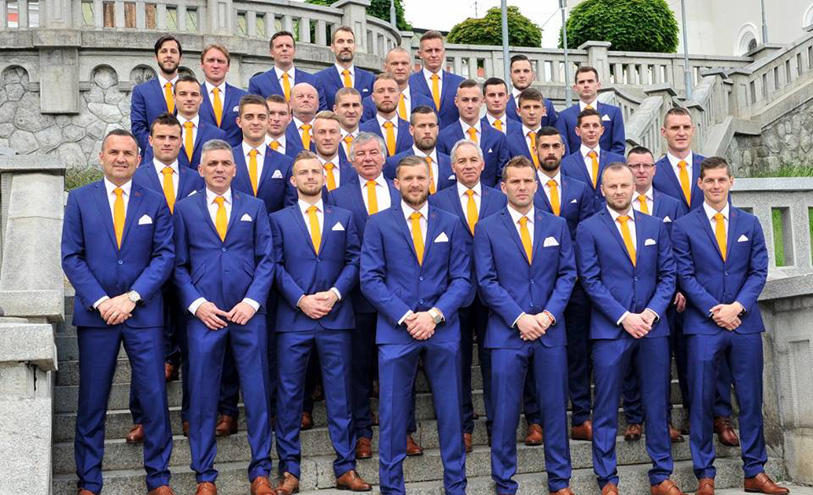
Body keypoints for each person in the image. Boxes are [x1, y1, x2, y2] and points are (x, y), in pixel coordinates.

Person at [62, 129, 175, 495]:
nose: (121, 158)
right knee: (92, 401)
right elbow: (72, 257)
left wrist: (132, 297)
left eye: (128, 153)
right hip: (96, 317)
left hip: (144, 315)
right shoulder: (80, 199)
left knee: (154, 398)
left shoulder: (154, 202)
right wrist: (102, 301)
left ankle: (159, 479)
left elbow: (164, 256)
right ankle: (89, 482)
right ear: (102, 157)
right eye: (114, 152)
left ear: (139, 159)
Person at [673, 157, 789, 495]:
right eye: (709, 180)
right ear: (700, 184)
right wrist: (714, 310)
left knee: (751, 399)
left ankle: (755, 471)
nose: (715, 185)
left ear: (731, 182)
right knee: (701, 400)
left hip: (744, 323)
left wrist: (737, 307)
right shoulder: (683, 226)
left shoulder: (749, 223)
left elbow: (758, 270)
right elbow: (685, 275)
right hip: (703, 325)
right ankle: (704, 474)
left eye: (721, 179)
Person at [360, 155, 471, 495]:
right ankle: (392, 489)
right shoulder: (378, 224)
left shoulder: (451, 223)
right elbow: (370, 279)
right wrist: (408, 317)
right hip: (397, 331)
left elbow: (462, 279)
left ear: (430, 181)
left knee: (451, 413)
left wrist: (433, 315)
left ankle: (456, 487)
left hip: (442, 330)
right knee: (393, 415)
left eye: (420, 178)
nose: (415, 184)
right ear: (396, 183)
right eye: (407, 178)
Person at [173, 139, 276, 495]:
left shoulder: (255, 207)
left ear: (235, 169)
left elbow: (267, 260)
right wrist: (197, 304)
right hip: (205, 318)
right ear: (201, 170)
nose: (219, 169)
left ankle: (261, 472)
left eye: (225, 163)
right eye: (213, 163)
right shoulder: (184, 210)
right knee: (203, 397)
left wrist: (252, 301)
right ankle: (204, 475)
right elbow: (178, 265)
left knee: (257, 395)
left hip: (248, 316)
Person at [575, 163, 685, 495]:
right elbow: (590, 280)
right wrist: (624, 317)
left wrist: (650, 313)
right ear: (603, 190)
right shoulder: (588, 228)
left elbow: (668, 275)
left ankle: (661, 475)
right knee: (606, 406)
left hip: (653, 328)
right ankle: (607, 479)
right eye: (613, 186)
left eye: (624, 185)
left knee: (657, 403)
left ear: (633, 186)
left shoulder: (654, 226)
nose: (620, 191)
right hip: (610, 330)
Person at [473, 155, 577, 495]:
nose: (522, 187)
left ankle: (559, 481)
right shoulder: (487, 227)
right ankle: (505, 482)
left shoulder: (556, 225)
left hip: (550, 332)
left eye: (527, 181)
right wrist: (519, 318)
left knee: (554, 410)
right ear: (503, 187)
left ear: (536, 184)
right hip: (507, 334)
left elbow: (567, 274)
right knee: (504, 413)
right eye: (515, 181)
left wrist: (548, 315)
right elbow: (486, 281)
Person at [270, 151, 371, 495]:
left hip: (336, 317)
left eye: (316, 171)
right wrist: (300, 299)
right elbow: (274, 265)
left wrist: (336, 294)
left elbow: (355, 259)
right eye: (303, 172)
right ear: (293, 180)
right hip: (293, 319)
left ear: (325, 177)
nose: (311, 176)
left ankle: (346, 467)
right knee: (289, 397)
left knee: (340, 395)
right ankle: (289, 470)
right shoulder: (278, 219)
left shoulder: (344, 216)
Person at [651, 107, 738, 447]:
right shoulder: (654, 172)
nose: (681, 132)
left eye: (686, 126)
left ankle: (721, 414)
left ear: (694, 129)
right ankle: (690, 411)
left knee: (717, 348)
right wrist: (676, 283)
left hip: (713, 279)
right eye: (674, 127)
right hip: (673, 276)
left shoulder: (710, 167)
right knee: (683, 350)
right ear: (663, 132)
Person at [128, 113, 204, 443]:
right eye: (161, 137)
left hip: (190, 272)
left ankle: (191, 415)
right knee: (146, 348)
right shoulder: (137, 177)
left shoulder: (196, 179)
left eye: (174, 137)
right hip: (149, 273)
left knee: (193, 348)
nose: (168, 142)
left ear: (181, 141)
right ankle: (144, 418)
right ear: (150, 140)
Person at [327, 133, 403, 459]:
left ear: (385, 157)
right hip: (357, 296)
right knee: (358, 367)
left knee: (399, 366)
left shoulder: (401, 191)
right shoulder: (337, 196)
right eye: (361, 154)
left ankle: (404, 431)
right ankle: (362, 432)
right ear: (351, 160)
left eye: (374, 152)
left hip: (399, 296)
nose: (368, 158)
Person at [429, 140, 506, 451]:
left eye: (474, 160)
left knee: (495, 362)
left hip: (493, 296)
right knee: (457, 364)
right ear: (453, 167)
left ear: (483, 164)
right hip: (454, 295)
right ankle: (463, 427)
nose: (469, 165)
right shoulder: (437, 201)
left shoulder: (501, 199)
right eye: (462, 161)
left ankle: (497, 425)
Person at [529, 127, 595, 444]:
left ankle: (581, 416)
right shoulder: (526, 187)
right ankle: (536, 420)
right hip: (538, 287)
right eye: (545, 146)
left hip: (575, 284)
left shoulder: (579, 188)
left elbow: (587, 234)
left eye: (556, 145)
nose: (551, 151)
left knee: (578, 352)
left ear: (564, 149)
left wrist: (577, 271)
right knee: (535, 353)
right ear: (536, 150)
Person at [621, 146, 686, 444]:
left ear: (654, 169)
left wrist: (680, 287)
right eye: (635, 166)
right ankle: (634, 418)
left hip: (664, 294)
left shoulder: (671, 205)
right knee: (630, 362)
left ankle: (664, 418)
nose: (641, 171)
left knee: (661, 361)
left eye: (646, 165)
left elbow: (682, 249)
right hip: (627, 297)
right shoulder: (616, 204)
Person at [436, 79, 510, 188]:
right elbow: (443, 176)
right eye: (465, 100)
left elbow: (503, 176)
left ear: (482, 101)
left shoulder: (497, 137)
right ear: (456, 102)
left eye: (474, 100)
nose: (470, 105)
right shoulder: (443, 137)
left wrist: (491, 195)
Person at [232, 94, 296, 214]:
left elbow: (290, 208)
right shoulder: (227, 159)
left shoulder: (286, 163)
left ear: (268, 121)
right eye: (249, 117)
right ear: (239, 122)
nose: (255, 122)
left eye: (261, 117)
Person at [560, 108, 626, 211]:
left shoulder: (618, 161)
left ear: (602, 130)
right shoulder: (565, 164)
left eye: (595, 126)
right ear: (577, 131)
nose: (591, 130)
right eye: (586, 126)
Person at [156, 75, 227, 170]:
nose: (189, 99)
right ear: (174, 97)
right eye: (183, 94)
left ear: (201, 99)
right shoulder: (158, 132)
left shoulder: (217, 135)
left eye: (194, 94)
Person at [384, 105, 456, 193]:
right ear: (411, 130)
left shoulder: (451, 163)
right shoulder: (394, 164)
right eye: (422, 126)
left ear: (437, 130)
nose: (427, 131)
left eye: (431, 126)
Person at [555, 66, 625, 155]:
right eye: (581, 82)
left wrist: (606, 163)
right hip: (575, 163)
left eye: (590, 81)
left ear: (598, 85)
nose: (586, 85)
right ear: (575, 87)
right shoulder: (564, 116)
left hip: (608, 163)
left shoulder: (614, 113)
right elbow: (563, 148)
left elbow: (619, 147)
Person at [248, 31, 327, 110]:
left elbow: (321, 111)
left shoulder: (313, 81)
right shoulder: (258, 83)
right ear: (271, 52)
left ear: (294, 51)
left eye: (288, 46)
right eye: (279, 46)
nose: (284, 49)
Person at [131, 35, 183, 153]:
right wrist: (157, 150)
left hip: (187, 157)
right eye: (164, 51)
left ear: (180, 58)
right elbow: (138, 128)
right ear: (156, 57)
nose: (169, 55)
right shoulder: (142, 91)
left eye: (173, 51)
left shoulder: (192, 91)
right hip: (153, 158)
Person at [409, 30, 465, 129]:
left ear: (444, 52)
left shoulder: (459, 83)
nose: (434, 55)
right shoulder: (409, 83)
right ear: (420, 54)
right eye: (429, 50)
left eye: (437, 50)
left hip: (453, 137)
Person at [361, 47, 434, 122]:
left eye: (404, 63)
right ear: (385, 67)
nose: (400, 68)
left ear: (411, 67)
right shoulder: (369, 103)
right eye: (395, 64)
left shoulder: (426, 102)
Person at [199, 44, 249, 147]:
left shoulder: (243, 97)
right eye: (211, 60)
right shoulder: (192, 97)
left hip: (233, 155)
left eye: (220, 61)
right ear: (202, 65)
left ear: (228, 67)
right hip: (202, 155)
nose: (215, 65)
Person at [315, 26, 375, 109]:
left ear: (355, 47)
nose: (346, 46)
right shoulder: (319, 79)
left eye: (350, 41)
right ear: (332, 47)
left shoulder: (369, 79)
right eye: (340, 41)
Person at [359, 73, 414, 157]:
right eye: (380, 91)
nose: (386, 95)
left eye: (391, 90)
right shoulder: (362, 130)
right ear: (373, 97)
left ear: (399, 95)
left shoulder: (412, 131)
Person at [505, 88, 558, 166]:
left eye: (536, 107)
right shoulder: (508, 141)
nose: (532, 112)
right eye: (527, 107)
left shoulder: (558, 140)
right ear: (518, 111)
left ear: (544, 111)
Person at [506, 54, 558, 127]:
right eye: (517, 71)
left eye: (526, 71)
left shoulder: (547, 105)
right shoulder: (503, 105)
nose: (522, 75)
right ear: (510, 76)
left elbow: (553, 132)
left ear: (533, 75)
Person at [313, 111, 355, 191]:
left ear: (340, 137)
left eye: (332, 132)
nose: (328, 138)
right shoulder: (305, 172)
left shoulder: (354, 171)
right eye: (322, 132)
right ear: (312, 138)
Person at [285, 83, 321, 155]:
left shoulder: (327, 128)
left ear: (318, 104)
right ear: (290, 103)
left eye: (311, 97)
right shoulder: (282, 128)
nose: (306, 100)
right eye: (300, 96)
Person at [334, 87, 364, 161]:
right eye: (346, 105)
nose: (351, 111)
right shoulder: (328, 139)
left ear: (362, 110)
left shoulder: (372, 139)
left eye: (355, 105)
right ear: (335, 109)